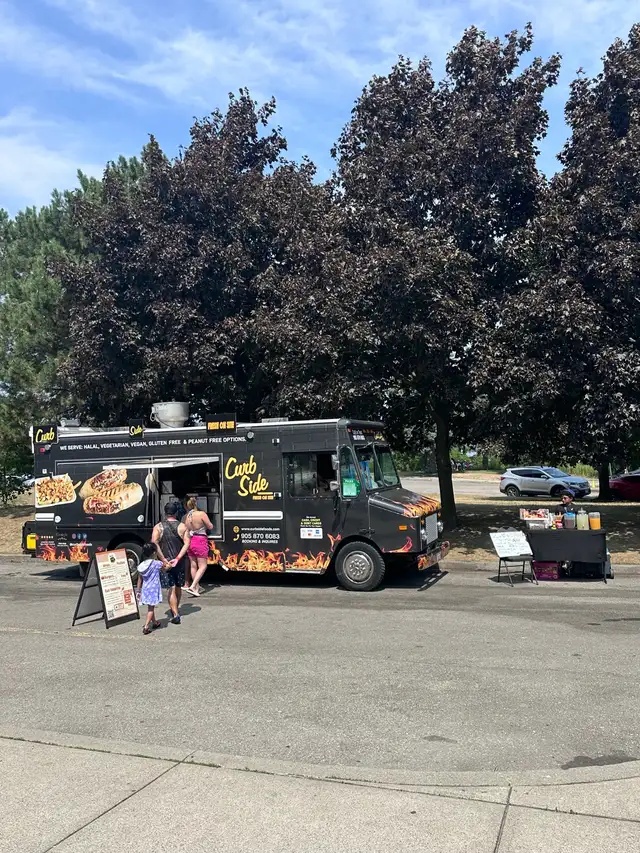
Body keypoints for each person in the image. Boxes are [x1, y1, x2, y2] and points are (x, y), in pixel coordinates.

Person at [152, 501, 191, 624]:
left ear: (165, 512)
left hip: (166, 562)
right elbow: (187, 543)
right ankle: (176, 610)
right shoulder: (182, 527)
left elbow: (154, 543)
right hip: (179, 562)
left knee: (172, 587)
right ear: (176, 512)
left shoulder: (158, 527)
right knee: (178, 586)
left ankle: (175, 613)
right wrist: (178, 558)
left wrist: (163, 559)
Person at [182, 496, 213, 597]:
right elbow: (210, 526)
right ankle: (193, 586)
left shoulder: (186, 517)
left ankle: (196, 587)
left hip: (191, 541)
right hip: (200, 540)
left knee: (193, 565)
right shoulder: (201, 514)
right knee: (203, 566)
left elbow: (185, 528)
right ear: (196, 504)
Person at [136, 542, 164, 635]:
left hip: (145, 589)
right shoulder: (156, 564)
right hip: (153, 589)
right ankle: (146, 626)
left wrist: (138, 590)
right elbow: (166, 567)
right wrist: (170, 563)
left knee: (150, 607)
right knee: (151, 609)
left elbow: (140, 580)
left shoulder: (141, 566)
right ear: (154, 553)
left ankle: (155, 622)